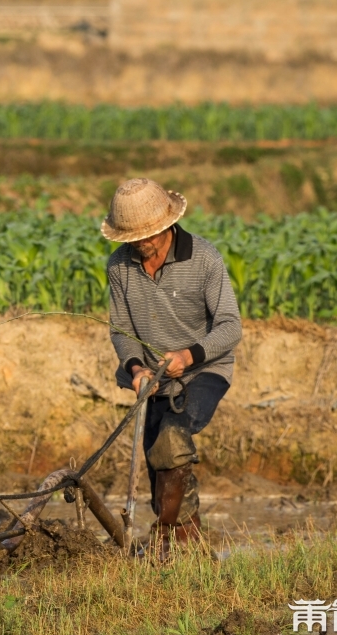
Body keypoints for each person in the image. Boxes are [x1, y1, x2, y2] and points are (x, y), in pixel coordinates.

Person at [102, 178, 242, 558]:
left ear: (167, 225)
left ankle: (165, 537)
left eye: (146, 235)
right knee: (156, 462)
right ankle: (189, 544)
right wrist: (135, 368)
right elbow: (122, 329)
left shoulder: (204, 259)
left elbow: (231, 326)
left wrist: (188, 356)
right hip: (152, 379)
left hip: (203, 369)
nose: (139, 244)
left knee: (172, 441)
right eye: (130, 237)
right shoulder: (119, 266)